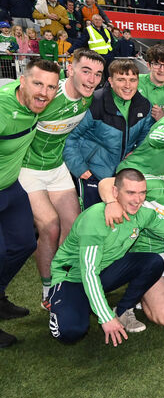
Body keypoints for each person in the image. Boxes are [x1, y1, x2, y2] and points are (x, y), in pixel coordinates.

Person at [47, 168, 164, 346]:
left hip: (104, 271)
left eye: (142, 193)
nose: (138, 200)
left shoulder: (144, 214)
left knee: (153, 262)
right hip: (72, 277)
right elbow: (88, 272)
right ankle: (65, 302)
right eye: (131, 193)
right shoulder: (96, 218)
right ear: (115, 192)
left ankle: (122, 310)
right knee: (71, 331)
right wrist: (105, 318)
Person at [20, 49, 105, 308]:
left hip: (57, 168)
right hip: (28, 169)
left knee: (74, 225)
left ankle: (62, 279)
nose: (92, 79)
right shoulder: (47, 95)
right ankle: (48, 290)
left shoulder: (87, 100)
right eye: (86, 71)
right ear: (71, 69)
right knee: (50, 227)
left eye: (98, 74)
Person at [0, 58, 61, 348]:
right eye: (38, 83)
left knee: (24, 244)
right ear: (22, 81)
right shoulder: (3, 108)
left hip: (10, 188)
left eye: (51, 87)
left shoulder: (38, 105)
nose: (44, 93)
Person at [64, 59, 154, 209]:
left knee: (115, 220)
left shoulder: (144, 105)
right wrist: (80, 168)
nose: (127, 85)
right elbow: (70, 137)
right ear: (111, 81)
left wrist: (135, 154)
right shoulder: (94, 101)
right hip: (92, 174)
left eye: (132, 80)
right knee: (91, 217)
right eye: (121, 80)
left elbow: (146, 139)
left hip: (121, 176)